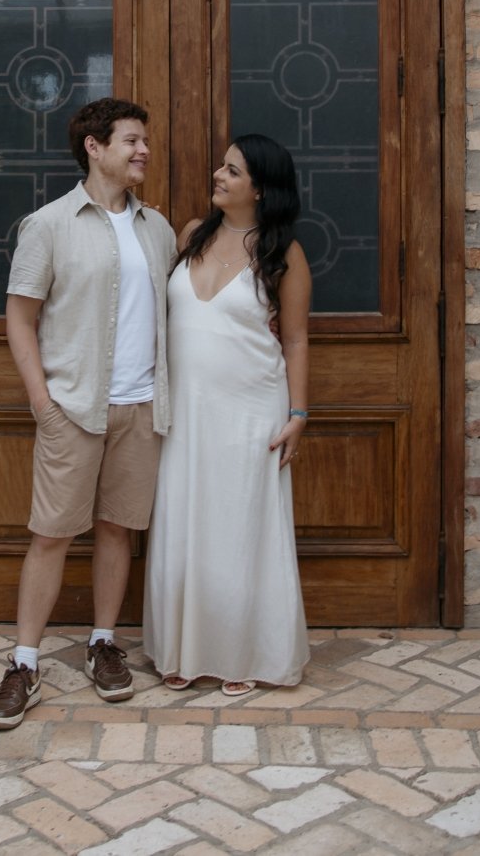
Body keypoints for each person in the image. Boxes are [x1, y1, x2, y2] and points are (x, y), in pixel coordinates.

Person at [0, 97, 176, 730]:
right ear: (94, 147)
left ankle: (103, 643)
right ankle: (24, 663)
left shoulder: (158, 229)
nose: (143, 150)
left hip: (141, 408)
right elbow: (19, 318)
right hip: (73, 409)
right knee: (51, 535)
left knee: (118, 530)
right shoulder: (49, 225)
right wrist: (44, 404)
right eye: (131, 140)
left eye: (144, 140)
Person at [143, 133, 311, 695]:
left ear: (260, 189)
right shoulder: (191, 234)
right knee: (184, 521)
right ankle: (182, 649)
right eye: (222, 166)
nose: (218, 174)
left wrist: (298, 414)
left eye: (233, 170)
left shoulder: (283, 253)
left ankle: (244, 655)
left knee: (240, 528)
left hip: (251, 409)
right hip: (185, 409)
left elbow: (296, 339)